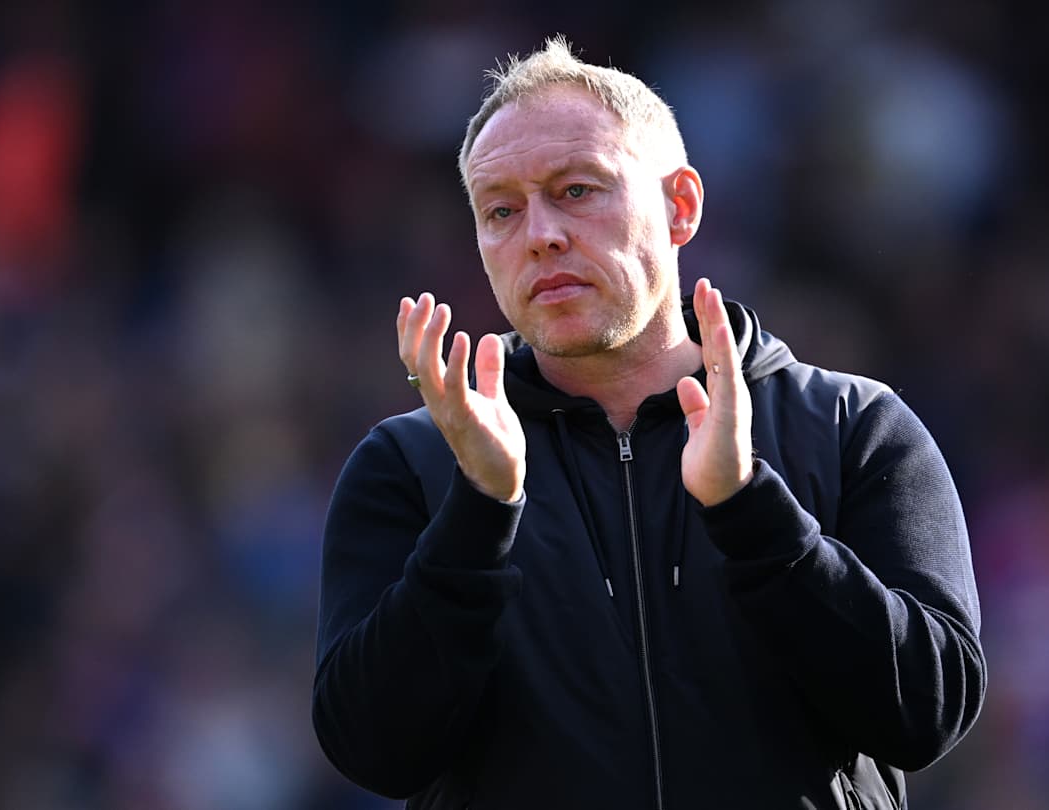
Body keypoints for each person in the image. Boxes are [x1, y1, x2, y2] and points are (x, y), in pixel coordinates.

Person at [313, 37, 985, 810]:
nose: (540, 234)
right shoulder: (411, 463)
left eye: (577, 190)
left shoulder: (855, 427)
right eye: (501, 210)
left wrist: (750, 511)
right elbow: (374, 752)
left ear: (680, 206)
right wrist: (479, 514)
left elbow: (929, 713)